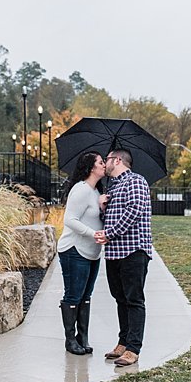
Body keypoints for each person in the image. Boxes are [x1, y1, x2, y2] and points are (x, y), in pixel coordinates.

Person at [94, 148, 153, 367]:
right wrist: (102, 207)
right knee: (120, 298)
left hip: (133, 251)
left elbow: (134, 210)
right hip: (114, 253)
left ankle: (133, 348)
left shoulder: (135, 181)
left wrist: (109, 234)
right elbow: (110, 218)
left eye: (107, 159)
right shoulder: (113, 186)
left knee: (134, 299)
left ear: (117, 160)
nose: (105, 163)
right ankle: (123, 342)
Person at [56, 151, 107, 355]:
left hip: (92, 252)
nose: (104, 165)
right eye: (101, 162)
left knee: (86, 295)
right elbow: (70, 220)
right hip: (74, 250)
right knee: (74, 295)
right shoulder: (81, 190)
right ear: (91, 167)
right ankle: (70, 340)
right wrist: (93, 233)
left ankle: (82, 337)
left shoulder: (95, 192)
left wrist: (102, 206)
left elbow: (94, 218)